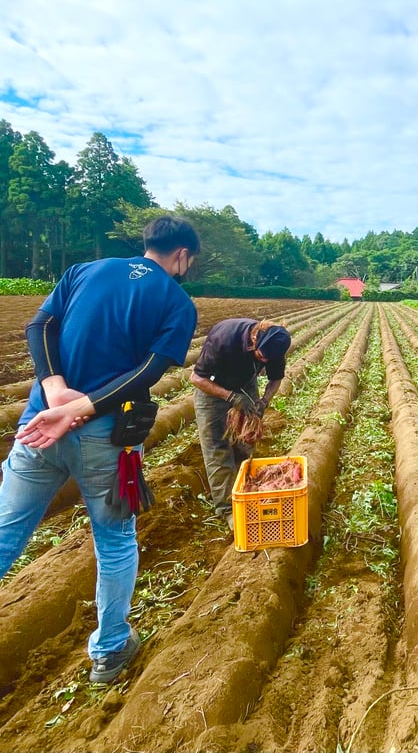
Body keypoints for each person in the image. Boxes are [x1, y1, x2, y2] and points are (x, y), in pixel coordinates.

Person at [0, 215, 200, 684]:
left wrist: (55, 390)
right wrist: (82, 408)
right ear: (183, 256)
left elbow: (40, 327)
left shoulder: (84, 271)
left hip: (38, 425)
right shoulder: (176, 301)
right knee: (114, 543)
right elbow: (149, 373)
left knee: (5, 534)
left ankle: (112, 647)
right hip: (105, 438)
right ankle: (110, 651)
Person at [190, 320, 291, 529]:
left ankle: (245, 490)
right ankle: (228, 508)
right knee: (218, 448)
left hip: (245, 385)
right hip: (212, 389)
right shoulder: (224, 338)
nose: (263, 360)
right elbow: (196, 378)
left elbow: (275, 379)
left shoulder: (274, 348)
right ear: (255, 339)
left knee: (245, 443)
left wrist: (264, 401)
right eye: (261, 356)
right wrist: (231, 398)